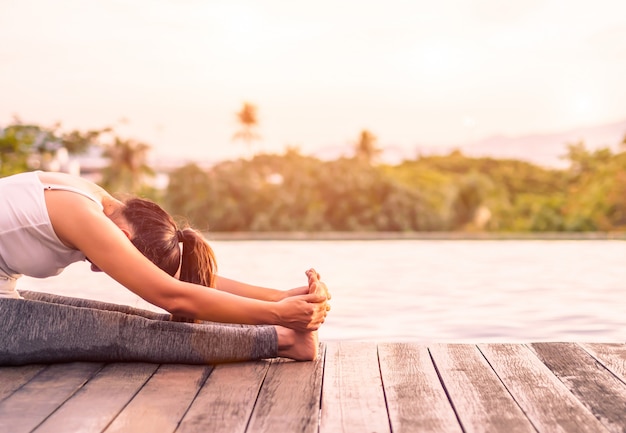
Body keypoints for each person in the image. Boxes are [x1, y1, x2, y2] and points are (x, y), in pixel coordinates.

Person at [0, 170, 331, 365]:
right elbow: (170, 295)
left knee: (138, 320)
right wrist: (279, 315)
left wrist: (281, 299)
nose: (98, 270)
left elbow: (184, 282)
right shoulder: (82, 213)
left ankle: (284, 335)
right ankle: (282, 340)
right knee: (121, 332)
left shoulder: (92, 200)